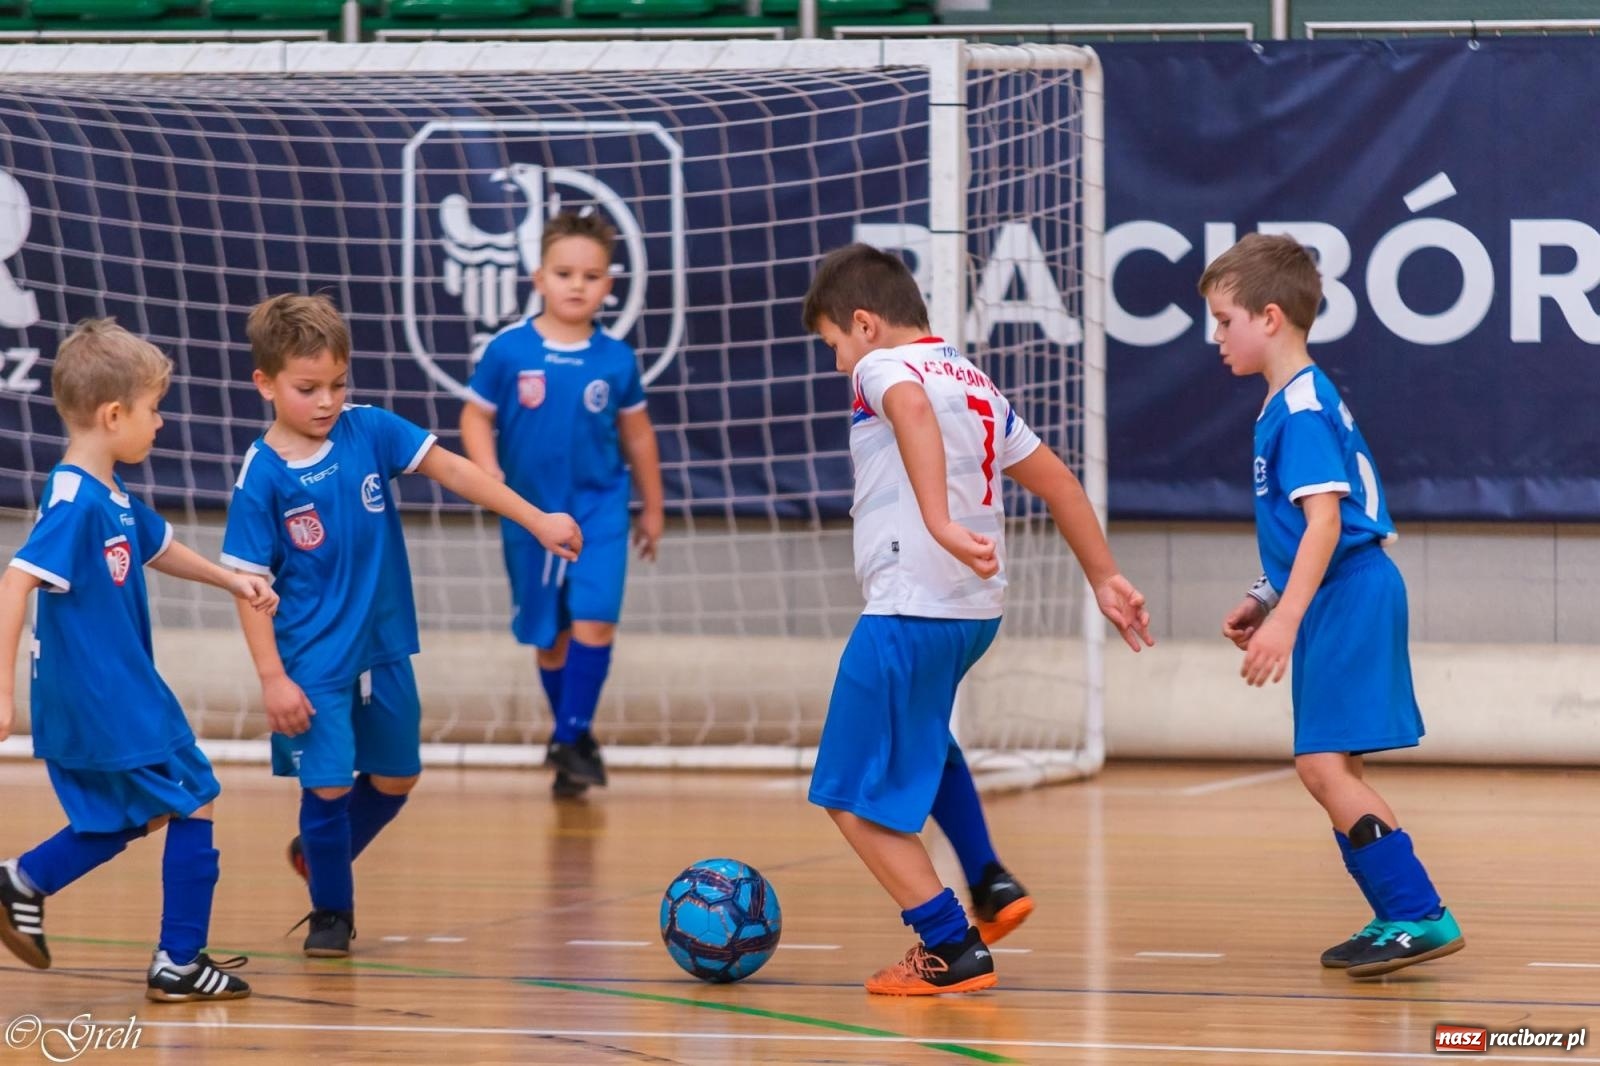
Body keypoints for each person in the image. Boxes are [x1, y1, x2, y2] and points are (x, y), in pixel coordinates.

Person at [801, 244, 1154, 995]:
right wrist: (1105, 576)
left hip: (910, 608)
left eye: (832, 343)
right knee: (926, 736)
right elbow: (1058, 480)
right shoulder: (974, 378)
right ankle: (988, 880)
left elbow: (909, 413)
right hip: (973, 614)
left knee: (843, 794)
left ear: (863, 324)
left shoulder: (882, 368)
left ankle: (946, 944)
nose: (837, 364)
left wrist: (937, 520)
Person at [222, 293, 581, 957]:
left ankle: (319, 850)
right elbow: (248, 586)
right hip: (311, 664)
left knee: (396, 778)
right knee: (328, 782)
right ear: (266, 384)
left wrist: (536, 518)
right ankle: (332, 913)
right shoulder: (262, 479)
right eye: (308, 389)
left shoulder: (371, 430)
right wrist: (272, 677)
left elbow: (453, 469)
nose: (327, 401)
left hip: (383, 649)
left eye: (337, 384)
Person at [1202, 233, 1464, 979]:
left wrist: (1284, 617)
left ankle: (1417, 913)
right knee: (1326, 765)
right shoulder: (1291, 401)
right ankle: (1397, 916)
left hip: (1348, 591)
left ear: (1271, 317)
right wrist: (1266, 595)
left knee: (1321, 766)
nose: (1217, 336)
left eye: (1226, 320)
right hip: (1334, 590)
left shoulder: (1301, 408)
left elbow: (1325, 523)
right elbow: (1303, 529)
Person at [0, 318, 274, 1001]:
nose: (161, 423)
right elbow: (16, 580)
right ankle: (178, 962)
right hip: (103, 693)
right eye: (154, 409)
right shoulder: (73, 501)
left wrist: (231, 579)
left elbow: (160, 547)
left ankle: (22, 881)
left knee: (130, 815)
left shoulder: (111, 496)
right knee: (197, 796)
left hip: (117, 690)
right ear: (113, 413)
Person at [460, 211, 664, 798]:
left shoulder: (616, 359)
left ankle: (571, 737)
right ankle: (571, 740)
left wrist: (652, 507)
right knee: (550, 637)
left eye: (592, 275)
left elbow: (639, 436)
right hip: (530, 515)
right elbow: (474, 415)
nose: (578, 285)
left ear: (608, 284)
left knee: (596, 620)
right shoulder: (508, 351)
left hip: (600, 508)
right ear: (538, 278)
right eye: (565, 272)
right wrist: (488, 471)